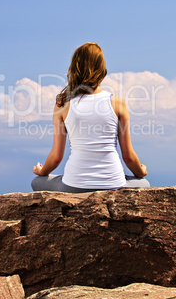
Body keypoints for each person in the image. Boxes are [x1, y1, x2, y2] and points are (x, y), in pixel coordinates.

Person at [32, 42, 150, 193]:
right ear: (102, 70)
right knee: (144, 183)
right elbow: (128, 157)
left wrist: (42, 172)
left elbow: (56, 157)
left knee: (37, 182)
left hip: (74, 186)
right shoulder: (118, 104)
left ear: (74, 69)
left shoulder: (62, 105)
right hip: (113, 185)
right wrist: (141, 172)